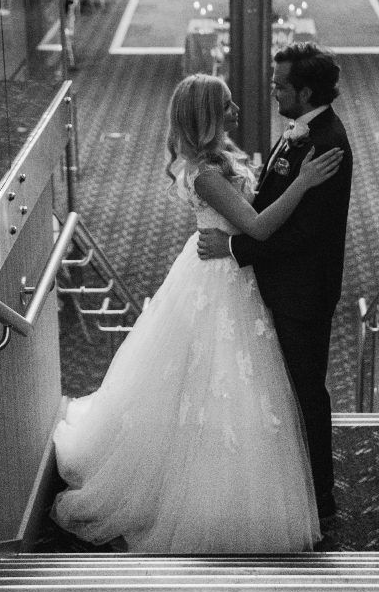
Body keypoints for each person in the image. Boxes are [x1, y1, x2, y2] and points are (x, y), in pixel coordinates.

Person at [52, 73, 343, 554]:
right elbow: (257, 226)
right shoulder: (205, 174)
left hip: (228, 267)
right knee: (215, 379)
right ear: (209, 116)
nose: (236, 109)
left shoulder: (217, 159)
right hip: (218, 280)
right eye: (227, 105)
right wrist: (305, 183)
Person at [198, 43, 353, 524]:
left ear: (305, 91)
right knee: (280, 392)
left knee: (307, 394)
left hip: (303, 292)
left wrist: (235, 249)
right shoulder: (304, 132)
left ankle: (321, 503)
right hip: (281, 284)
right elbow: (273, 198)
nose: (272, 89)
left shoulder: (326, 144)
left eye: (280, 84)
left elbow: (308, 234)